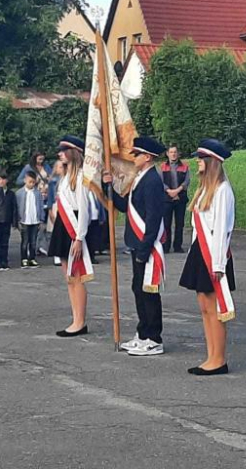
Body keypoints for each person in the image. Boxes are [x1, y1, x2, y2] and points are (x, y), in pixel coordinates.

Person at [104, 137, 167, 357]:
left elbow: (153, 218)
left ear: (147, 157)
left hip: (145, 246)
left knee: (149, 291)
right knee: (138, 289)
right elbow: (126, 207)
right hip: (137, 243)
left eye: (137, 155)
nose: (134, 158)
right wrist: (108, 186)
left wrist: (144, 249)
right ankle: (143, 333)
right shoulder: (141, 178)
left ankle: (154, 338)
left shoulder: (152, 181)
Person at [180, 139, 237, 376]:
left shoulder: (223, 190)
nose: (197, 161)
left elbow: (222, 228)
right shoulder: (204, 188)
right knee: (204, 307)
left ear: (211, 161)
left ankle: (219, 359)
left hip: (214, 254)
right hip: (199, 251)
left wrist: (217, 264)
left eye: (200, 158)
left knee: (215, 309)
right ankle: (210, 355)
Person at [50, 136, 93, 338]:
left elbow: (84, 210)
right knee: (69, 278)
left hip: (74, 227)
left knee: (76, 277)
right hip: (63, 226)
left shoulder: (81, 176)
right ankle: (75, 318)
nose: (59, 154)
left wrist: (79, 237)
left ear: (72, 152)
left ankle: (80, 321)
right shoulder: (65, 176)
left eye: (63, 150)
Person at [17, 152, 52, 255]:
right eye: (39, 158)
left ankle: (40, 246)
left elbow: (53, 177)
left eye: (42, 158)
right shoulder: (28, 167)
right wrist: (32, 181)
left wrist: (49, 180)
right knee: (33, 223)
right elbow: (19, 181)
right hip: (34, 194)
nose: (41, 159)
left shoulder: (46, 167)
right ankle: (34, 247)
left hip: (46, 195)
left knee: (43, 223)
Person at [161, 145, 190, 253]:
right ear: (167, 154)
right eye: (171, 152)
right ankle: (166, 246)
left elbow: (186, 182)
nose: (173, 154)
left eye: (175, 152)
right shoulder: (162, 166)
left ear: (178, 154)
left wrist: (177, 191)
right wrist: (169, 191)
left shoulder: (185, 167)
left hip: (180, 199)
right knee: (166, 224)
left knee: (180, 224)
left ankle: (178, 246)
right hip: (166, 199)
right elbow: (161, 182)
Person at [15, 170, 43, 269]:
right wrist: (17, 220)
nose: (31, 184)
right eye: (29, 182)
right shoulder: (19, 193)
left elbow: (40, 206)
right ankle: (24, 259)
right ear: (25, 180)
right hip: (24, 221)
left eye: (33, 182)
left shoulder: (38, 193)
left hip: (35, 220)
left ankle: (32, 258)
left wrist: (41, 219)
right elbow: (17, 207)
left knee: (33, 241)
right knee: (25, 241)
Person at [45, 160, 65, 266]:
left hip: (66, 205)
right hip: (55, 205)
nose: (61, 169)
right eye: (59, 167)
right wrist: (49, 210)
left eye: (63, 167)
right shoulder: (52, 182)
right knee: (54, 231)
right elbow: (50, 197)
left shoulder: (68, 179)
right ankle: (56, 255)